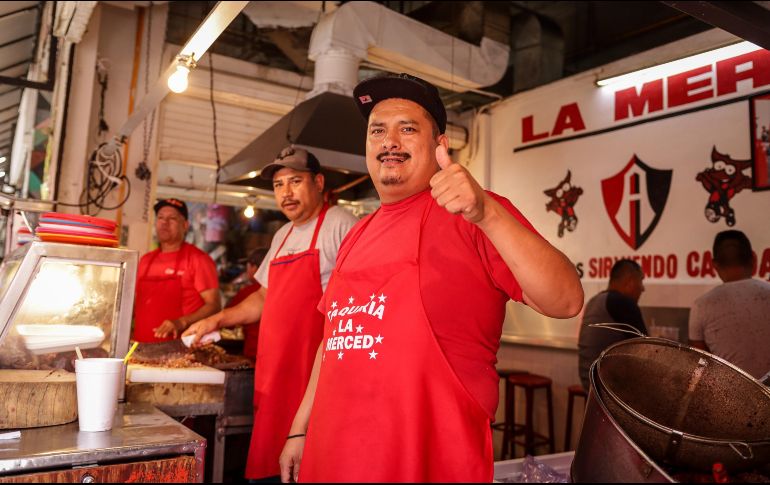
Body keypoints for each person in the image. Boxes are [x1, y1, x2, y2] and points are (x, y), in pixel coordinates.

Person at [279, 73, 584, 483]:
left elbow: (565, 300)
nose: (389, 141)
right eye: (377, 131)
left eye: (407, 128)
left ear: (440, 145)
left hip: (425, 463)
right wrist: (300, 429)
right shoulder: (356, 234)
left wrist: (488, 215)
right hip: (331, 457)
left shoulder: (474, 213)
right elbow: (335, 338)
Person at [183, 147, 358, 481]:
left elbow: (359, 297)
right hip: (275, 373)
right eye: (279, 185)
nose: (286, 192)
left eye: (295, 181)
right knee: (270, 464)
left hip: (314, 374)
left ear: (319, 183)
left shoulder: (340, 223)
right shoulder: (282, 234)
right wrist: (217, 319)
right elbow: (264, 297)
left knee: (310, 463)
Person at [132, 198, 221, 343]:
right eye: (160, 217)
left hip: (180, 348)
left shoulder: (198, 260)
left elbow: (214, 305)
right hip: (140, 346)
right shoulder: (145, 260)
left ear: (185, 225)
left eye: (172, 218)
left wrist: (181, 322)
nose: (164, 222)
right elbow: (135, 303)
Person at [689, 230, 770, 379]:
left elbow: (700, 365)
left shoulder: (701, 306)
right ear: (753, 259)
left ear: (715, 265)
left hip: (729, 392)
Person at [577, 259, 647, 391]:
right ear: (630, 281)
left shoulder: (594, 300)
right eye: (641, 281)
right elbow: (648, 350)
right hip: (608, 389)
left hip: (589, 384)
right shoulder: (622, 302)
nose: (643, 288)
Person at [228, 247, 269, 359]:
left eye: (248, 266)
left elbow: (230, 324)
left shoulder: (247, 293)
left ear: (254, 267)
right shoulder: (278, 291)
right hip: (274, 354)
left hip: (253, 353)